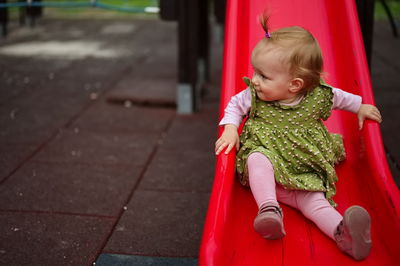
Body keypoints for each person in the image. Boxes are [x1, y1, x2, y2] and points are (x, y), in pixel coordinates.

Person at [215, 13, 382, 261]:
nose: (256, 81)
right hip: (269, 165)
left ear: (294, 84)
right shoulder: (253, 95)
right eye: (256, 73)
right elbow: (234, 106)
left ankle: (343, 234)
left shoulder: (317, 96)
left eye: (264, 76)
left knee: (315, 203)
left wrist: (360, 107)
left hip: (302, 172)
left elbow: (341, 97)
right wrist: (230, 127)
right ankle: (269, 209)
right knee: (257, 158)